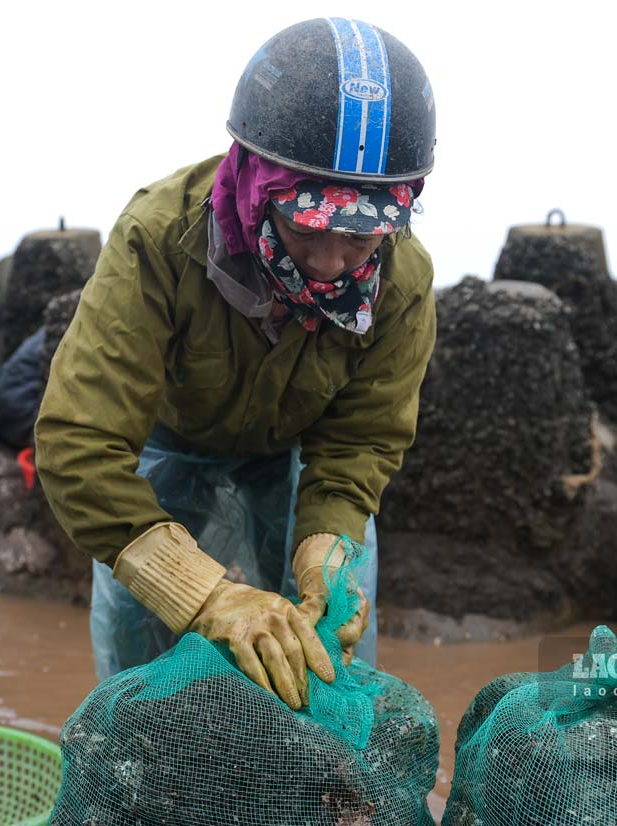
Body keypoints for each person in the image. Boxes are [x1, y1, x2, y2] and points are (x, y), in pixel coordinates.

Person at [35, 17, 437, 711]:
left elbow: (362, 439)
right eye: (311, 225)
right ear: (257, 181)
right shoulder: (159, 237)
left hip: (295, 463)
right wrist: (206, 595)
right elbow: (80, 445)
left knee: (321, 661)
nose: (335, 259)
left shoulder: (401, 280)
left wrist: (325, 546)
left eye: (363, 232)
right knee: (151, 689)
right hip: (166, 463)